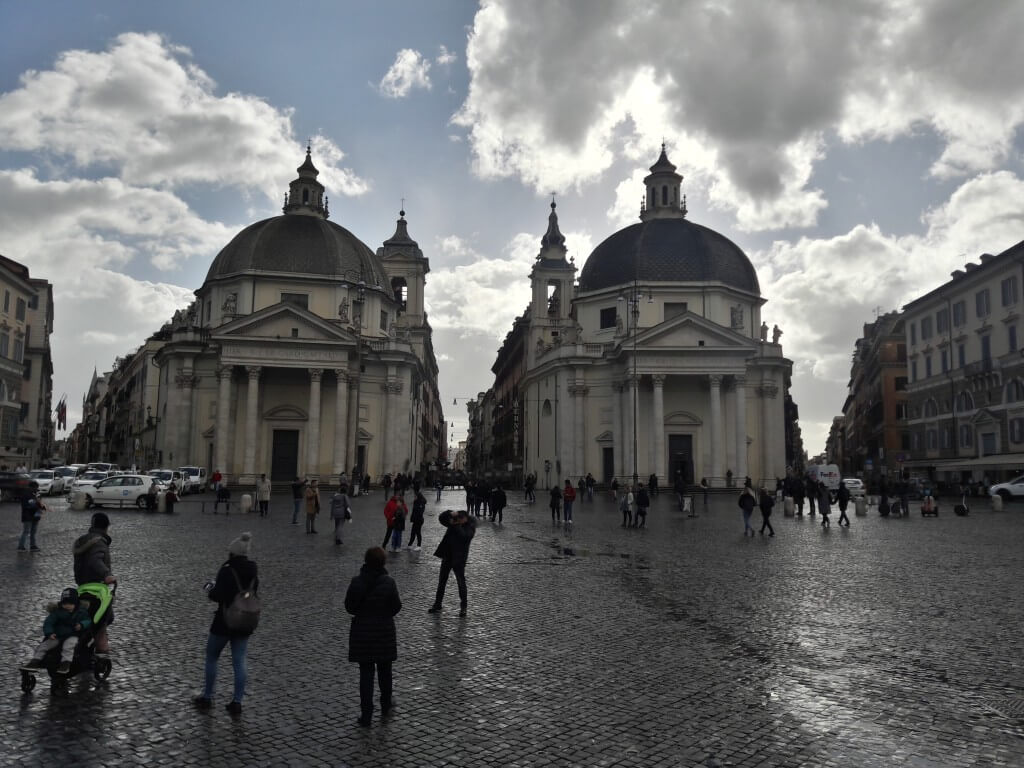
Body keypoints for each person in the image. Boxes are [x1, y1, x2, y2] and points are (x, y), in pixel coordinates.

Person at [193, 532, 258, 716]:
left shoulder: (227, 569)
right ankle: (237, 701)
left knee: (212, 656)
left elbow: (217, 595)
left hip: (224, 621)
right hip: (245, 620)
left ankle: (207, 696)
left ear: (232, 553)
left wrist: (211, 588)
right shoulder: (253, 570)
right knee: (239, 660)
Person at [345, 547, 402, 727]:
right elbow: (396, 606)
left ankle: (366, 714)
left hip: (363, 632)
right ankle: (385, 705)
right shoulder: (389, 582)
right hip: (384, 631)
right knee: (385, 671)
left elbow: (350, 607)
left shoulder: (357, 582)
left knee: (366, 674)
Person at [21, 587, 92, 674]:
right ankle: (35, 661)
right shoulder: (57, 612)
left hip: (73, 634)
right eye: (65, 603)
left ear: (76, 603)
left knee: (68, 646)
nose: (67, 606)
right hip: (58, 635)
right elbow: (48, 623)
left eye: (70, 603)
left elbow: (88, 621)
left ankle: (65, 663)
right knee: (44, 646)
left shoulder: (81, 612)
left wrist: (81, 625)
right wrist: (49, 633)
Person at [73, 512, 116, 655]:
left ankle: (86, 647)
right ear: (106, 527)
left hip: (82, 586)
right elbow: (95, 561)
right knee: (105, 617)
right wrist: (107, 574)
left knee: (88, 617)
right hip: (96, 588)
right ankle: (101, 650)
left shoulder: (83, 540)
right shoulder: (100, 543)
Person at [428, 510, 477, 616]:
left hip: (459, 559)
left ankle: (463, 607)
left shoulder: (470, 526)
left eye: (460, 518)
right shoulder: (454, 523)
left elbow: (465, 537)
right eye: (457, 518)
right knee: (442, 581)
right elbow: (441, 518)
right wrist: (450, 513)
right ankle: (437, 604)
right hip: (447, 556)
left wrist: (456, 525)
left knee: (461, 583)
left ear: (465, 519)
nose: (458, 520)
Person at [18, 482, 45, 551]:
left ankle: (33, 546)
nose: (36, 489)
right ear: (30, 487)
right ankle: (21, 547)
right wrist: (35, 506)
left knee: (33, 532)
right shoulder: (25, 495)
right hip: (28, 516)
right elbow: (25, 506)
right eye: (35, 488)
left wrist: (41, 506)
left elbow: (39, 503)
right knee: (26, 531)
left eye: (37, 488)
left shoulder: (36, 494)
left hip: (36, 515)